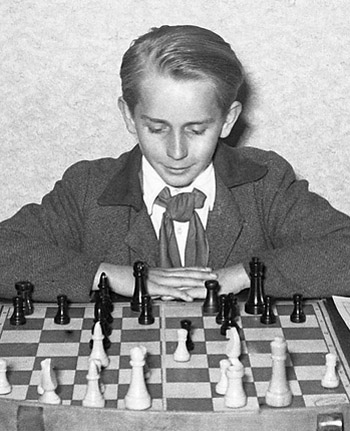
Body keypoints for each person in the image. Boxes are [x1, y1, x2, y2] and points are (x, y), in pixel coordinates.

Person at [0, 25, 350, 303]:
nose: (177, 151)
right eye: (156, 128)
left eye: (197, 129)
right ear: (128, 116)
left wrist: (241, 275)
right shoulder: (88, 188)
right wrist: (109, 274)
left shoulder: (265, 183)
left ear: (228, 120)